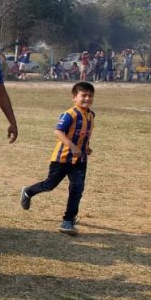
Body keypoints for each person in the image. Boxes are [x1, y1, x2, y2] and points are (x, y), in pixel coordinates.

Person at [20, 82, 95, 236]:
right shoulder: (70, 114)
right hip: (62, 159)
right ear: (74, 97)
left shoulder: (91, 115)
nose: (87, 98)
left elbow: (85, 134)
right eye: (83, 95)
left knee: (77, 188)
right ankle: (28, 191)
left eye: (90, 96)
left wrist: (86, 147)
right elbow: (58, 132)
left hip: (79, 161)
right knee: (49, 185)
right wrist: (72, 146)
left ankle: (68, 220)